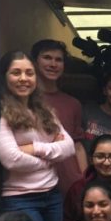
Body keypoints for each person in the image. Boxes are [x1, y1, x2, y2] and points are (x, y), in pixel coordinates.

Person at [0, 50, 74, 221]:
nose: (24, 78)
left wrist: (34, 149)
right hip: (20, 199)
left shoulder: (45, 111)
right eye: (16, 73)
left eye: (29, 73)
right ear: (5, 77)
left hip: (52, 196)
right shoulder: (2, 112)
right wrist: (49, 160)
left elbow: (69, 147)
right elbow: (11, 159)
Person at [31, 38, 88, 194]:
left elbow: (77, 145)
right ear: (35, 62)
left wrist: (84, 178)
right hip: (37, 184)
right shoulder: (24, 101)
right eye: (47, 58)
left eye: (59, 60)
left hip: (70, 185)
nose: (53, 64)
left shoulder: (73, 103)